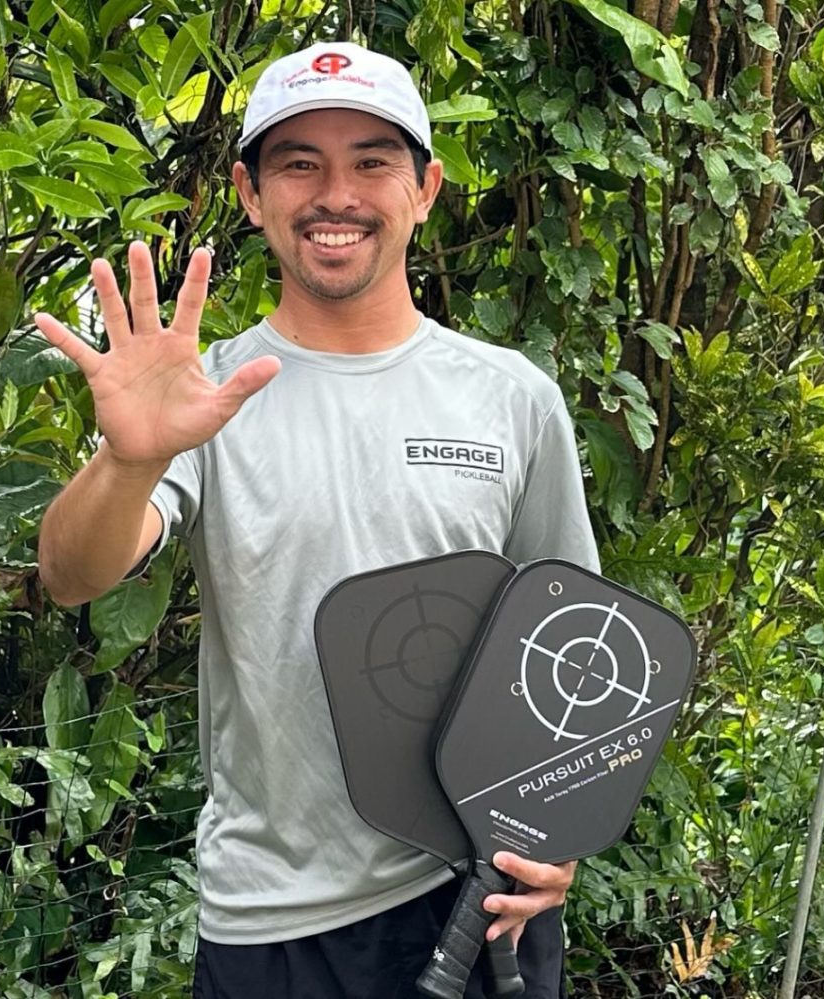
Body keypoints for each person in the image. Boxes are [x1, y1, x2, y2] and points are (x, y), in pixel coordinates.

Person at [36, 41, 599, 999]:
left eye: (371, 161)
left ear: (424, 187)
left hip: (480, 900)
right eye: (299, 162)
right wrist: (130, 458)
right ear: (252, 194)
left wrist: (563, 837)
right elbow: (72, 572)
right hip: (274, 919)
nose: (335, 193)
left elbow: (575, 646)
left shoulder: (514, 398)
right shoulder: (204, 396)